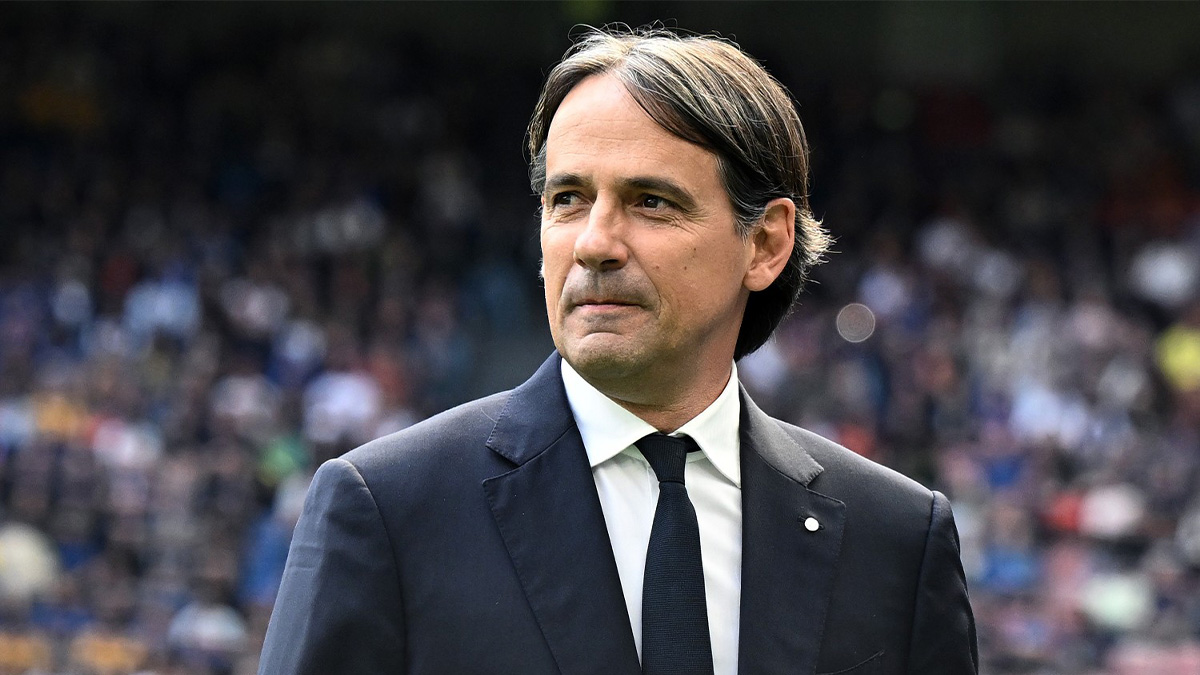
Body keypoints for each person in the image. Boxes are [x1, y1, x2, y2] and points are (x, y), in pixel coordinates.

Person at [259, 26, 977, 675]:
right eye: (567, 199)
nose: (594, 243)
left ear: (765, 243)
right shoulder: (388, 510)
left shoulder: (895, 538)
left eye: (650, 202)